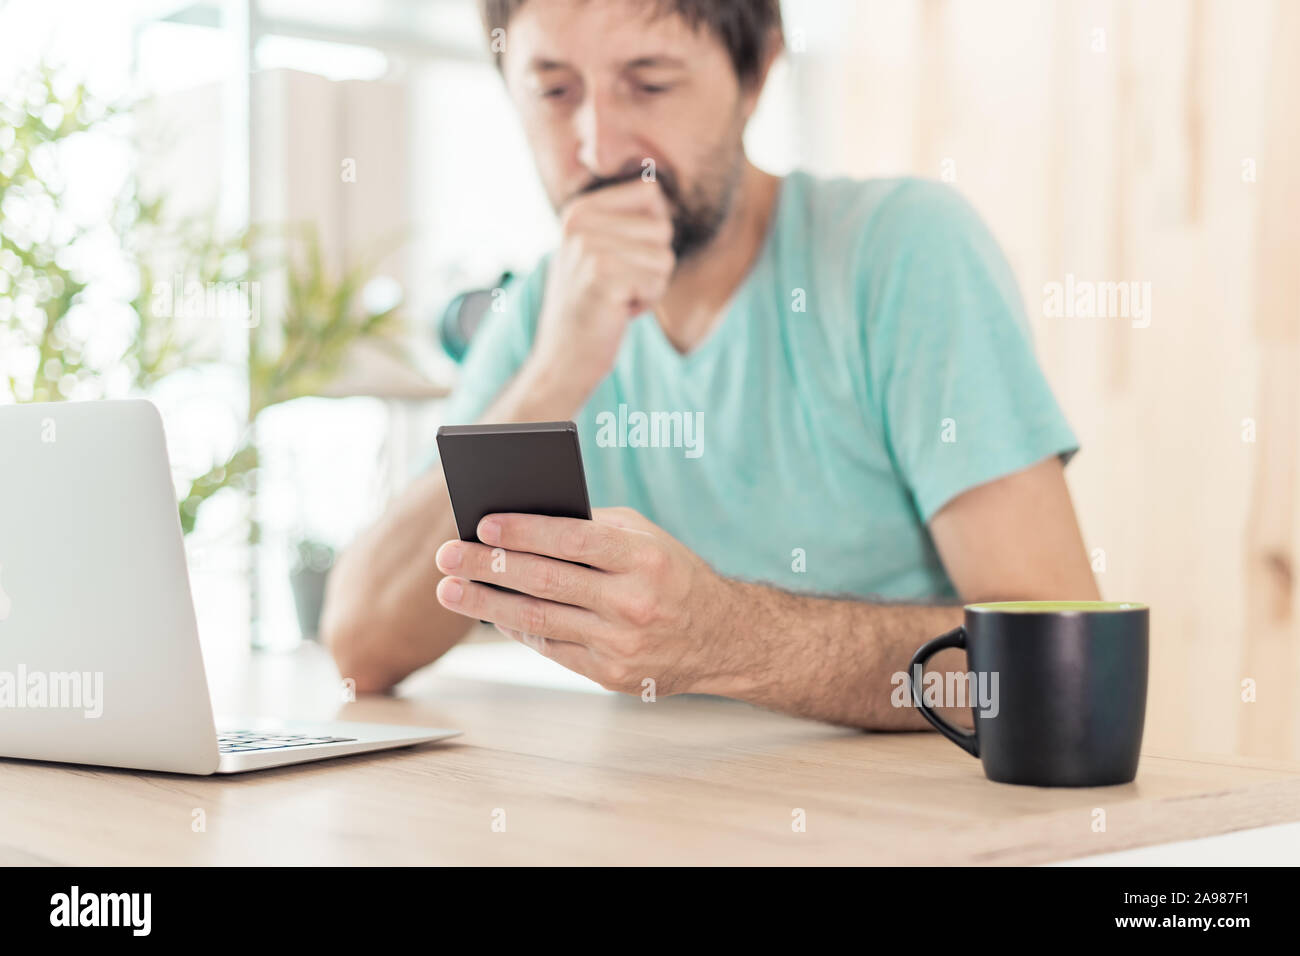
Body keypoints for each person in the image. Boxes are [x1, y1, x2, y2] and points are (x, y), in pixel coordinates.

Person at [320, 0, 1100, 729]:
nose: (601, 146)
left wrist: (730, 640)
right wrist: (555, 370)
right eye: (555, 91)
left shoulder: (901, 251)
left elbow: (1060, 666)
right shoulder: (542, 307)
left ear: (755, 71)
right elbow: (362, 646)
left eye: (650, 83)